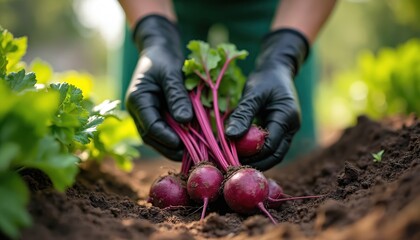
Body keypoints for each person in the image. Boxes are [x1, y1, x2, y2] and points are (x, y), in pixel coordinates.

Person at [118, 0, 337, 171]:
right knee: (147, 137)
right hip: (162, 7)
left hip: (281, 11)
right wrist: (154, 37)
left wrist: (285, 54)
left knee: (287, 148)